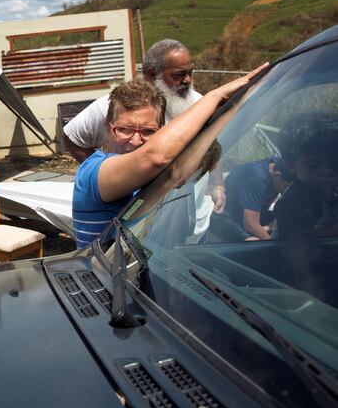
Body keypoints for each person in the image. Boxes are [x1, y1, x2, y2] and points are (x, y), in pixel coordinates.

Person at [72, 65, 265, 250]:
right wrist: (215, 95)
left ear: (160, 133)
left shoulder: (148, 175)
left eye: (148, 131)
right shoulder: (93, 173)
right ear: (107, 128)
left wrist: (237, 103)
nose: (135, 141)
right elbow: (155, 157)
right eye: (124, 130)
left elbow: (178, 173)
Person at [62, 39, 226, 213]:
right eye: (178, 75)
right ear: (151, 74)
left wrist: (218, 184)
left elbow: (211, 148)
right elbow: (72, 135)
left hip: (184, 211)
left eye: (190, 73)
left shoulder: (199, 107)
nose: (187, 80)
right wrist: (99, 176)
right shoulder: (115, 105)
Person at [274, 112, 338, 239]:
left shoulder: (331, 190)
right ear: (290, 165)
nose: (327, 171)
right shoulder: (292, 205)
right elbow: (296, 250)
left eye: (335, 163)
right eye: (313, 166)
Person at [208, 158, 291, 242]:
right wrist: (275, 247)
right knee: (252, 240)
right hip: (228, 217)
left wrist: (268, 227)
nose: (286, 192)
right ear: (277, 175)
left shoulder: (281, 163)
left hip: (255, 214)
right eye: (287, 187)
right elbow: (250, 225)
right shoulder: (257, 177)